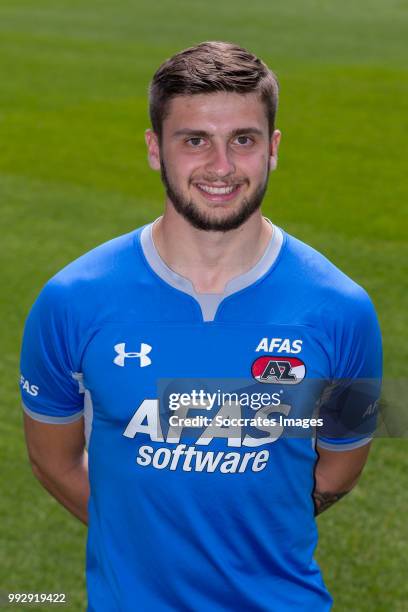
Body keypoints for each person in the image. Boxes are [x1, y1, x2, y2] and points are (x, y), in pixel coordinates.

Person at [20, 41, 382, 611]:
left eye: (243, 139)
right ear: (154, 149)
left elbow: (338, 468)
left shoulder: (342, 309)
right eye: (194, 141)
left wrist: (249, 520)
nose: (221, 167)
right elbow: (53, 459)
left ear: (273, 149)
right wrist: (143, 538)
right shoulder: (73, 301)